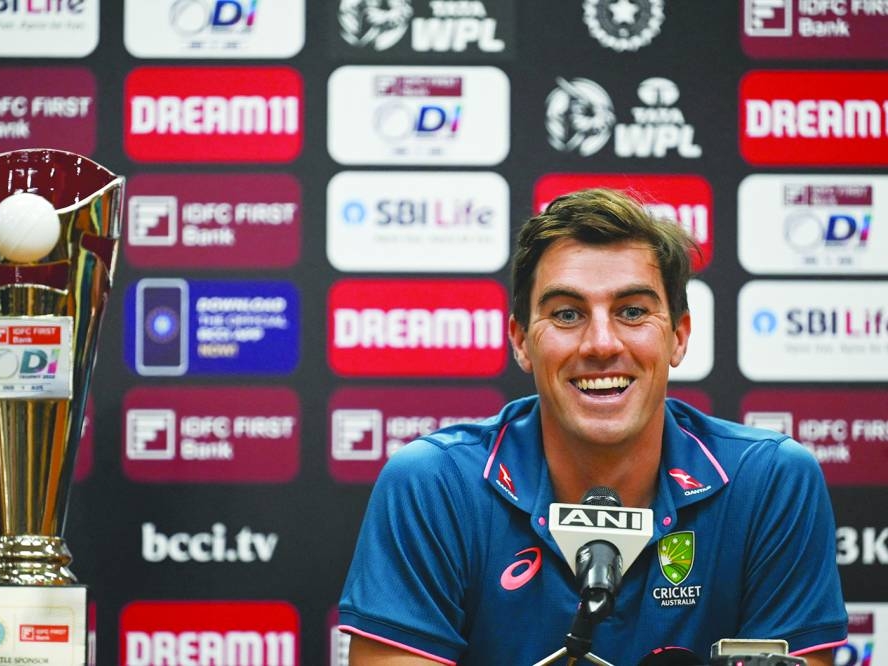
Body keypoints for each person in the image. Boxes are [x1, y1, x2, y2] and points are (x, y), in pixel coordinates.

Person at [337, 188, 847, 665]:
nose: (601, 343)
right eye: (566, 314)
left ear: (678, 336)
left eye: (632, 311)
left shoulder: (768, 481)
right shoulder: (436, 484)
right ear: (521, 341)